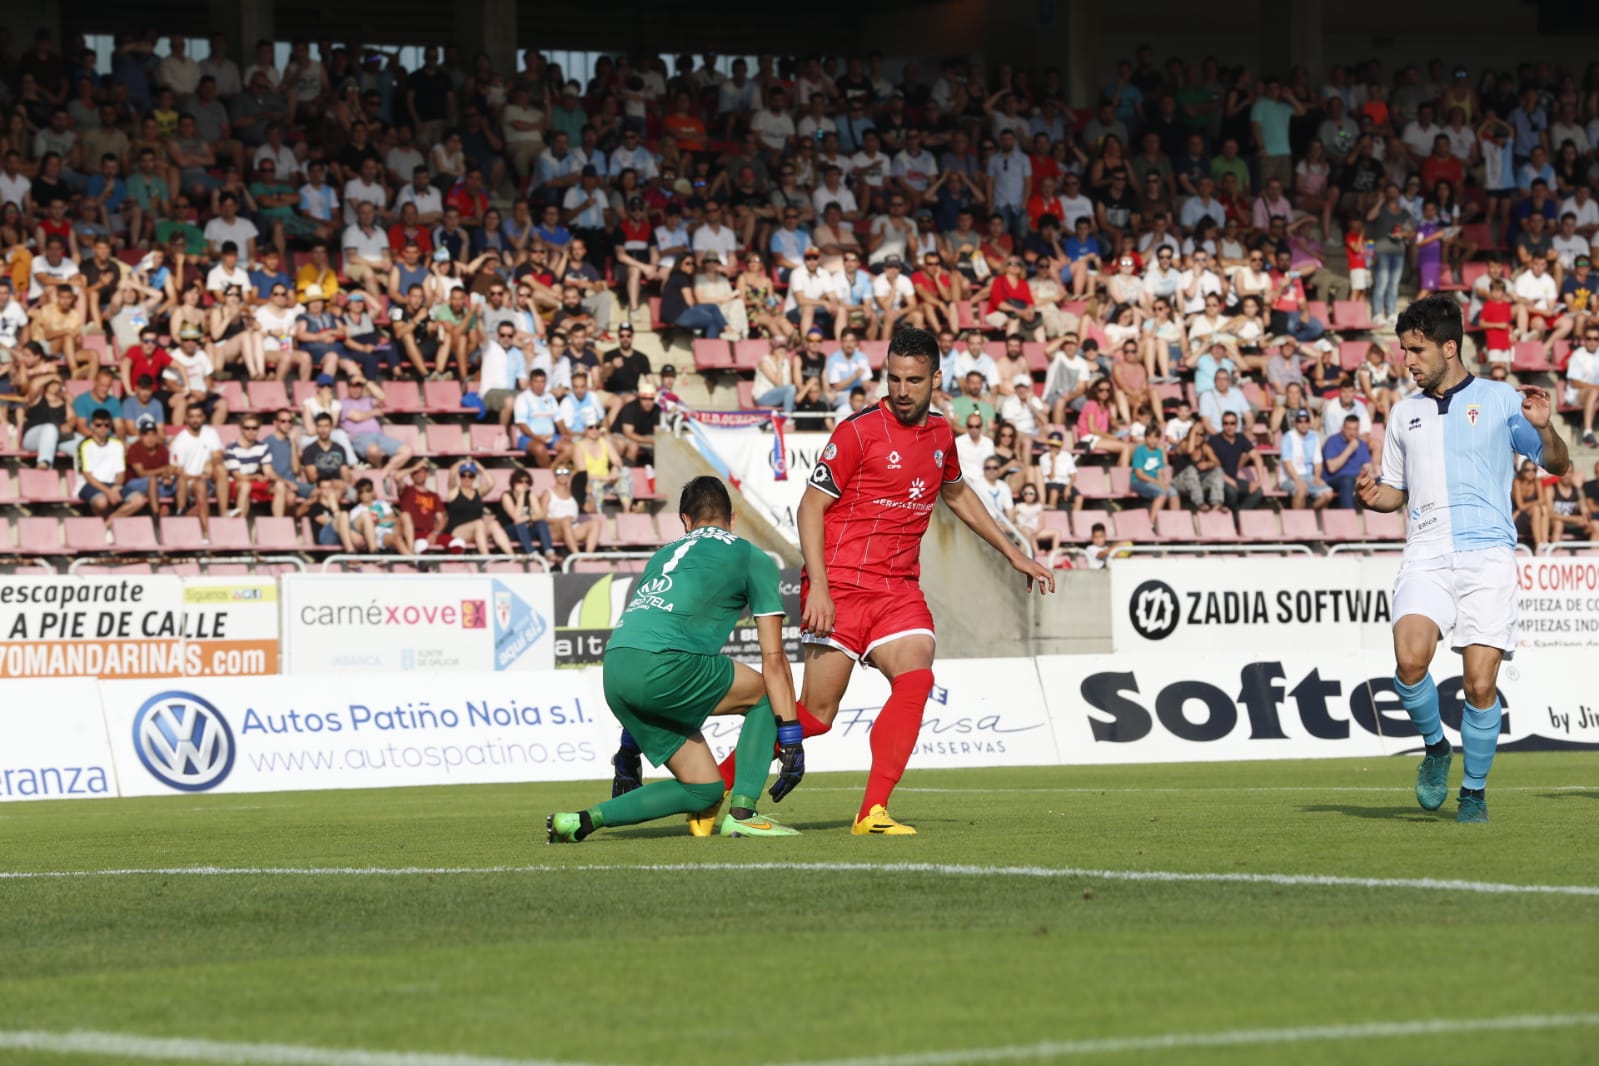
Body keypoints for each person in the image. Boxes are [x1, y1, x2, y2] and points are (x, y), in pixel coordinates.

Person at [617, 328, 1055, 834]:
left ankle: (873, 811)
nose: (901, 390)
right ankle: (715, 793)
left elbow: (957, 495)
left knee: (916, 677)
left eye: (914, 380)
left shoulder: (940, 435)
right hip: (841, 586)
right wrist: (819, 587)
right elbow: (810, 505)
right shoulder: (857, 431)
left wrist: (1013, 553)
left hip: (898, 591)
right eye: (893, 378)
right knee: (817, 714)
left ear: (937, 379)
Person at [1356, 296, 1570, 823]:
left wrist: (1543, 427)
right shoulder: (1404, 412)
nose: (1407, 360)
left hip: (1488, 556)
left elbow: (1559, 466)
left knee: (1479, 685)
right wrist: (1372, 495)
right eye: (1405, 349)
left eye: (1416, 349)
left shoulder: (1501, 400)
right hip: (1426, 550)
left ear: (1449, 347)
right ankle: (1435, 748)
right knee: (1409, 661)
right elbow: (1394, 493)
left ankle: (1473, 791)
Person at [549, 476, 805, 842]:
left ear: (685, 520)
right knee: (766, 695)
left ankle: (579, 822)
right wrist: (792, 737)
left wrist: (627, 751)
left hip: (617, 669)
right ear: (732, 519)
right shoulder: (749, 555)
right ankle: (744, 813)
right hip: (667, 666)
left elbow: (645, 656)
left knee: (704, 789)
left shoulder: (663, 555)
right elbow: (774, 658)